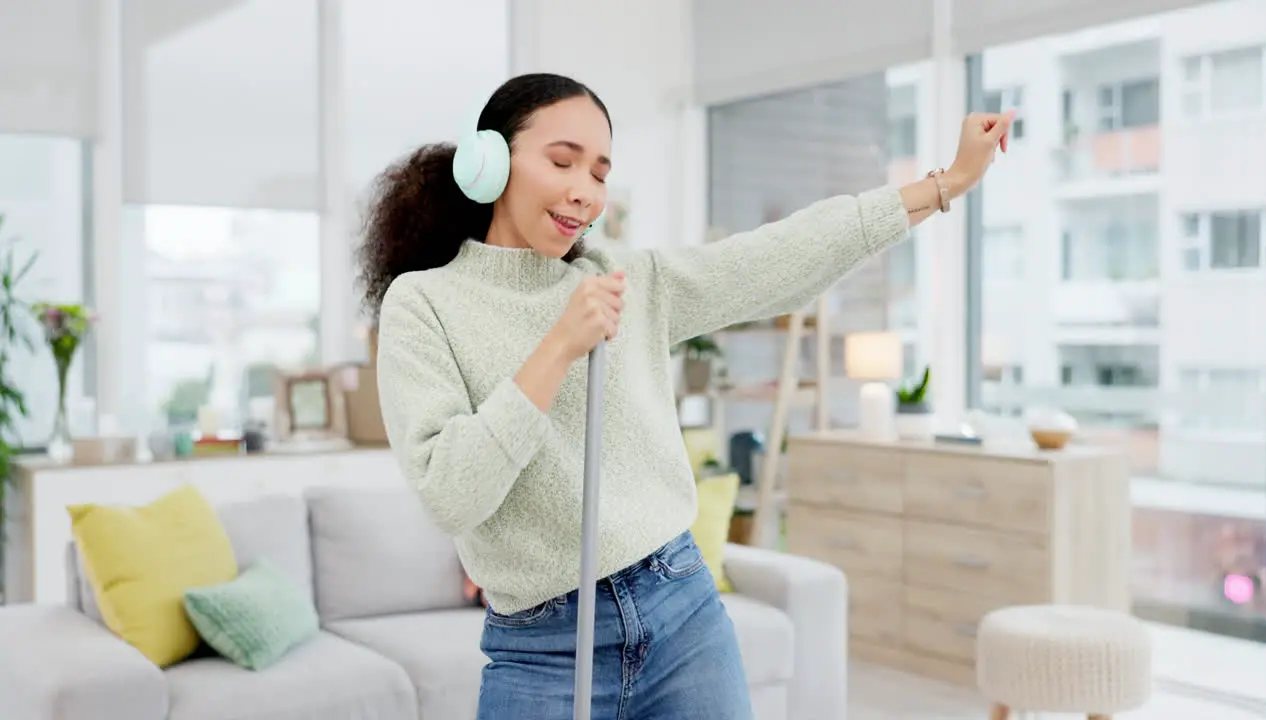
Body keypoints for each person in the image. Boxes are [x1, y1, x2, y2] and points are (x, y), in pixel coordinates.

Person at [358, 72, 1013, 720]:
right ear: (490, 160)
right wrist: (558, 347)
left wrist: (945, 184)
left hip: (683, 616)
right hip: (542, 651)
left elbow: (777, 257)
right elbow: (451, 493)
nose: (585, 192)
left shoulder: (621, 279)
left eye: (600, 174)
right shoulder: (425, 305)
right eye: (563, 162)